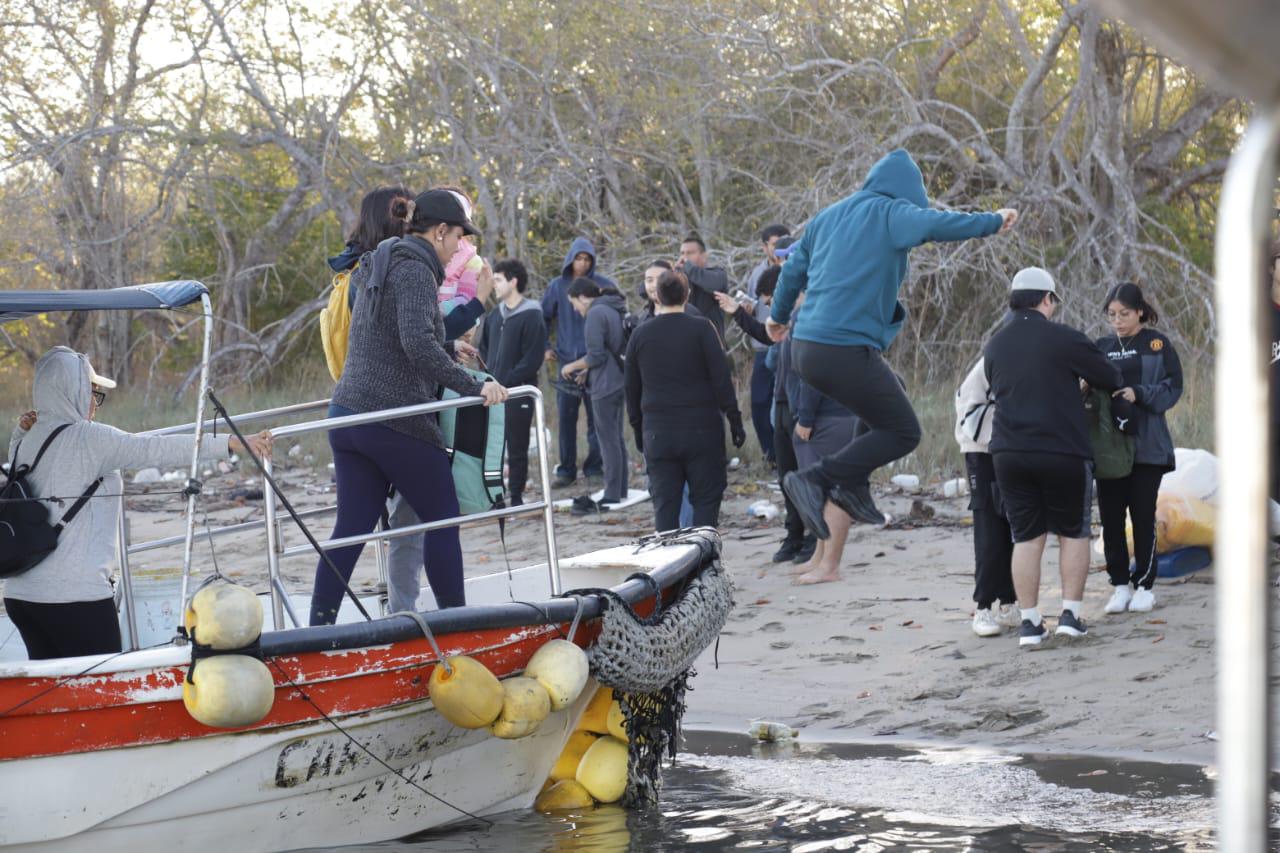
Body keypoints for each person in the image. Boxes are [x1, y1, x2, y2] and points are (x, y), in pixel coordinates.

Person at [769, 148, 1017, 540]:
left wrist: (776, 318)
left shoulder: (827, 217)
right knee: (904, 431)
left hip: (805, 348)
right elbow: (939, 224)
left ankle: (853, 489)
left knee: (878, 408)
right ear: (906, 193)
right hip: (841, 348)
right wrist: (994, 220)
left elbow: (792, 272)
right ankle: (814, 479)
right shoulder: (892, 212)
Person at [312, 188, 508, 625]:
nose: (461, 247)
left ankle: (317, 629)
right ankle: (456, 624)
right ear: (439, 232)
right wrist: (475, 389)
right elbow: (417, 345)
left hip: (347, 415)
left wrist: (446, 344)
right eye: (458, 237)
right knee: (441, 517)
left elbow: (399, 336)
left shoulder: (376, 260)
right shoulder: (417, 270)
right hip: (393, 420)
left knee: (350, 530)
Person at [6, 347, 271, 660]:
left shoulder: (26, 437)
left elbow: (14, 468)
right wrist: (230, 442)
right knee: (105, 696)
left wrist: (19, 430)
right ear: (72, 391)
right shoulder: (90, 439)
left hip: (21, 597)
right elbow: (153, 449)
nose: (94, 402)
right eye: (92, 391)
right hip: (74, 598)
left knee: (53, 699)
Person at [983, 267, 1123, 646]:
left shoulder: (994, 344)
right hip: (1062, 450)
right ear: (1047, 299)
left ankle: (1029, 623)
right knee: (1073, 533)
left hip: (1009, 452)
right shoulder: (1064, 338)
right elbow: (1110, 377)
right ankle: (1070, 616)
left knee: (1026, 537)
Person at [626, 270, 745, 530]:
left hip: (659, 432)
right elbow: (721, 378)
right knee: (705, 502)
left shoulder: (640, 335)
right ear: (688, 295)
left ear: (657, 296)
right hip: (702, 429)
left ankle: (671, 565)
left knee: (665, 506)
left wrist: (638, 428)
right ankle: (703, 561)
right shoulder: (702, 329)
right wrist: (734, 418)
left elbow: (631, 389)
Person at [716, 265, 815, 564]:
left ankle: (815, 536)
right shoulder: (784, 321)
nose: (771, 309)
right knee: (786, 478)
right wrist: (737, 313)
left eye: (771, 301)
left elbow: (814, 371)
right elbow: (765, 335)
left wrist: (808, 416)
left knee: (808, 477)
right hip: (782, 407)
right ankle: (794, 534)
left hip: (803, 410)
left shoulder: (812, 317)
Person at [1095, 282, 1183, 614]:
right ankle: (1120, 585)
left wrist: (1140, 394)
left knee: (1142, 515)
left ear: (1141, 312)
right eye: (1112, 315)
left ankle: (1145, 584)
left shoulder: (1157, 344)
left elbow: (1174, 387)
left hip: (1148, 446)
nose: (1117, 321)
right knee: (1111, 518)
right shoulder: (1101, 346)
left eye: (1125, 314)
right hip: (1109, 448)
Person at [955, 356, 1019, 637]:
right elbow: (967, 407)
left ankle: (1008, 602)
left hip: (1014, 450)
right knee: (988, 527)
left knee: (1012, 525)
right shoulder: (992, 360)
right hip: (982, 452)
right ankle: (983, 606)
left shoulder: (1031, 355)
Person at [479, 259, 548, 507]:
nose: (494, 285)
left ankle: (516, 497)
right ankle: (496, 499)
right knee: (493, 450)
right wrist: (489, 380)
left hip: (518, 394)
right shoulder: (494, 315)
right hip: (492, 395)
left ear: (513, 281)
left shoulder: (532, 314)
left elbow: (533, 359)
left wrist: (504, 382)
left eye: (498, 280)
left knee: (517, 448)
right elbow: (484, 351)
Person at [560, 278, 629, 512]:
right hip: (620, 380)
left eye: (573, 303)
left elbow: (596, 355)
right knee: (617, 438)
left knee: (607, 440)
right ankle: (621, 489)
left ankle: (611, 493)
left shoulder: (595, 313)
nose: (574, 309)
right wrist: (587, 370)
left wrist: (569, 367)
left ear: (582, 297)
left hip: (605, 386)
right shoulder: (613, 307)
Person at [677, 235, 731, 345]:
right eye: (682, 253)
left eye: (690, 253)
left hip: (711, 342)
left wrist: (688, 267)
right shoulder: (678, 278)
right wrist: (674, 272)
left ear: (704, 256)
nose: (684, 258)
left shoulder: (717, 274)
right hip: (684, 342)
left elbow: (713, 284)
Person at [746, 223, 790, 298]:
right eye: (775, 244)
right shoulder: (757, 274)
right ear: (765, 247)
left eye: (783, 243)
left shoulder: (799, 270)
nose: (780, 247)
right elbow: (752, 305)